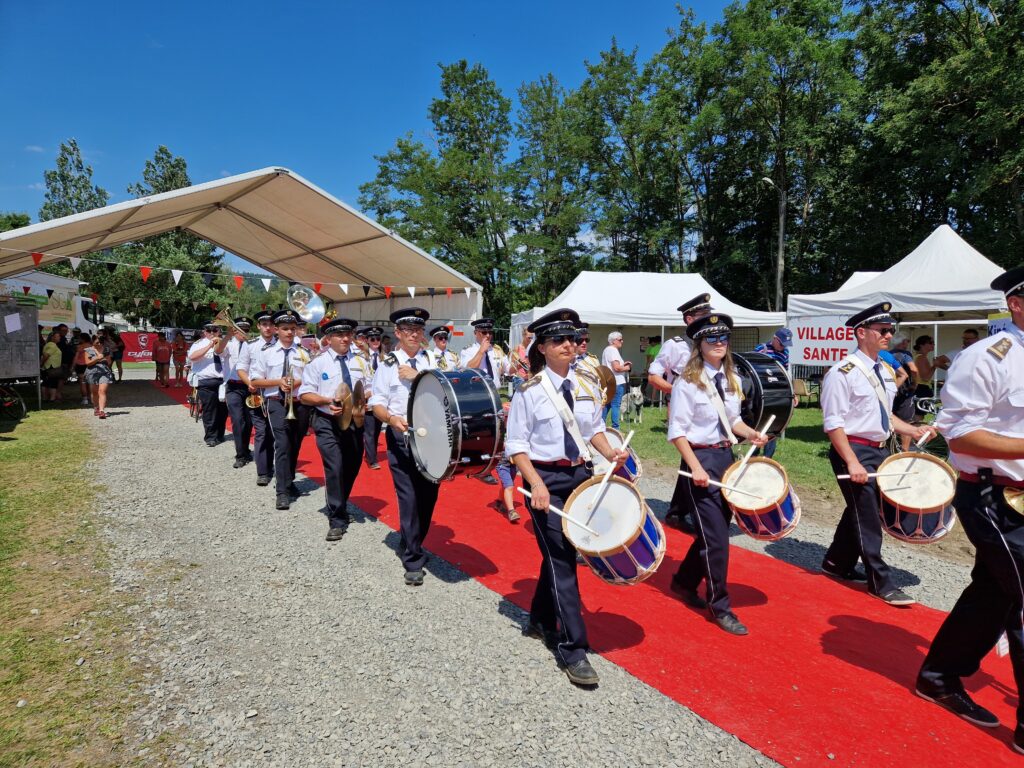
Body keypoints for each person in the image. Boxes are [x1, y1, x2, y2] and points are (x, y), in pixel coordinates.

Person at [915, 265, 1024, 743]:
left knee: (996, 591)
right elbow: (959, 432)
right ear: (1017, 303)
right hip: (992, 494)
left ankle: (939, 675)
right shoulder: (987, 357)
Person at [506, 308, 628, 686]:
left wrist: (611, 453)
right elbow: (516, 446)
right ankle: (573, 649)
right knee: (563, 561)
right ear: (542, 347)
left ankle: (540, 620)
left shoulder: (586, 385)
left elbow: (592, 430)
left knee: (559, 555)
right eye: (559, 340)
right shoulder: (528, 391)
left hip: (580, 475)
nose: (569, 346)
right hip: (544, 480)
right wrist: (536, 484)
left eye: (572, 339)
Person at [819, 302, 932, 605]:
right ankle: (879, 582)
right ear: (861, 333)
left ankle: (835, 563)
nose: (889, 334)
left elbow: (885, 416)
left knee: (862, 508)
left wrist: (911, 430)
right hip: (852, 449)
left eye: (890, 330)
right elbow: (833, 424)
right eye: (882, 330)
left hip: (877, 450)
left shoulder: (882, 370)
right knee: (869, 516)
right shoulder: (842, 373)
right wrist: (851, 460)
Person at [667, 313, 769, 635]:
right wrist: (694, 466)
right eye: (712, 338)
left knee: (713, 533)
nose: (720, 343)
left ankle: (683, 581)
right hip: (701, 461)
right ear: (699, 343)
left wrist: (751, 433)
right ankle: (720, 605)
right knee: (718, 540)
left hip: (725, 456)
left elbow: (733, 421)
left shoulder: (730, 378)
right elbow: (677, 432)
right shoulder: (687, 382)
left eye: (724, 337)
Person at [368, 307, 440, 586]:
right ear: (398, 333)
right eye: (408, 330)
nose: (414, 334)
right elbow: (377, 406)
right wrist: (391, 419)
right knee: (409, 497)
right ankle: (412, 558)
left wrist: (417, 376)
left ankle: (413, 541)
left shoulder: (432, 359)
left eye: (419, 330)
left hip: (433, 438)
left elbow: (445, 390)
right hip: (402, 435)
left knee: (429, 496)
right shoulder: (387, 365)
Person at [298, 316, 371, 541]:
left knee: (352, 465)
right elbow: (304, 395)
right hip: (327, 422)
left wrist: (360, 398)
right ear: (328, 338)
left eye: (348, 334)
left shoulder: (361, 361)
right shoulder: (317, 363)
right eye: (340, 335)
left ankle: (340, 500)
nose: (346, 338)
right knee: (335, 467)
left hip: (356, 421)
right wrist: (326, 400)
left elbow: (371, 387)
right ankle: (337, 518)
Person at [648, 294, 715, 532]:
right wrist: (675, 389)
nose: (708, 320)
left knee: (697, 459)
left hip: (710, 410)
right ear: (689, 319)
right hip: (687, 412)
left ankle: (679, 510)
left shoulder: (711, 343)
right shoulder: (675, 345)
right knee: (696, 457)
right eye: (703, 316)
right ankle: (697, 514)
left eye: (709, 315)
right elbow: (653, 375)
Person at [249, 309, 310, 510]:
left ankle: (289, 480)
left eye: (293, 329)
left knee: (294, 444)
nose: (290, 333)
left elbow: (311, 377)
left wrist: (296, 382)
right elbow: (255, 380)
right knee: (282, 445)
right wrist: (279, 382)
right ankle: (282, 492)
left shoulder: (303, 353)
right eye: (285, 329)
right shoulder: (265, 353)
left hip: (298, 403)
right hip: (275, 402)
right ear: (276, 330)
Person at [237, 310, 277, 487]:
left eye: (271, 325)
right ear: (259, 326)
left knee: (274, 433)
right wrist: (248, 383)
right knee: (261, 432)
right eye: (264, 324)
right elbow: (241, 367)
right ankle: (263, 471)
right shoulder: (250, 345)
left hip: (276, 394)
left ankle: (275, 466)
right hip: (257, 394)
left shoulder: (281, 345)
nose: (268, 328)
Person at [751, 328, 794, 459]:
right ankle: (753, 454)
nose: (783, 347)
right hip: (762, 394)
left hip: (777, 394)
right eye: (781, 344)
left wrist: (793, 394)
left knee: (774, 423)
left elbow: (785, 374)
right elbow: (751, 370)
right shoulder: (761, 349)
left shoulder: (785, 353)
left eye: (785, 345)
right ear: (775, 339)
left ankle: (768, 458)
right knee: (759, 423)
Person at [188, 322, 230, 447]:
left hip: (223, 381)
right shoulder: (198, 344)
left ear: (219, 331)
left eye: (215, 330)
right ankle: (210, 437)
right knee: (209, 410)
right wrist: (210, 345)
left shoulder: (225, 343)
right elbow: (192, 357)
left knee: (223, 411)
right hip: (206, 381)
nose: (212, 333)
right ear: (204, 331)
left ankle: (220, 434)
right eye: (209, 330)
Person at [222, 317, 255, 469]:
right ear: (235, 331)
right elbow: (217, 351)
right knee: (237, 420)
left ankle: (246, 449)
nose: (244, 333)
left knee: (248, 422)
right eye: (241, 330)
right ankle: (240, 455)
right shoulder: (229, 344)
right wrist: (227, 336)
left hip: (249, 387)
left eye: (246, 330)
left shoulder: (253, 345)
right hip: (233, 386)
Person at [887, 335, 919, 451]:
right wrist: (915, 383)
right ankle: (905, 450)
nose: (908, 343)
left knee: (890, 416)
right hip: (905, 391)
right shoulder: (905, 354)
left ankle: (891, 446)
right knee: (906, 420)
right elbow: (913, 369)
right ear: (903, 342)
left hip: (890, 389)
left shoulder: (888, 354)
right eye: (908, 340)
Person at [362, 326, 385, 470]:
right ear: (367, 341)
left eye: (378, 339)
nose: (376, 341)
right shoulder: (361, 357)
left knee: (376, 430)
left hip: (380, 399)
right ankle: (372, 459)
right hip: (366, 398)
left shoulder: (385, 357)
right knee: (369, 431)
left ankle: (370, 453)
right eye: (373, 339)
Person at [459, 318, 509, 383]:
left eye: (490, 332)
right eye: (484, 332)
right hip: (478, 391)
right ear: (475, 333)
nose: (488, 335)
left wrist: (517, 365)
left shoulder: (497, 349)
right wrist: (481, 351)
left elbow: (508, 369)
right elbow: (468, 371)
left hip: (494, 390)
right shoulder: (467, 350)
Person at [600, 331, 631, 429]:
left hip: (608, 381)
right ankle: (616, 428)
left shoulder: (606, 350)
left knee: (607, 404)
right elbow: (616, 368)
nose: (622, 341)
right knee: (616, 405)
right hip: (617, 382)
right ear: (613, 341)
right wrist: (627, 368)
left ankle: (600, 424)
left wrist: (623, 365)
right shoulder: (613, 350)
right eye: (620, 339)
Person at [83, 335, 114, 418]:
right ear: (92, 342)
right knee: (95, 392)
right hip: (92, 372)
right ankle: (96, 408)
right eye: (97, 342)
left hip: (104, 372)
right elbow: (87, 363)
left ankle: (102, 411)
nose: (99, 344)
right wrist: (97, 358)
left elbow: (109, 362)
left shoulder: (106, 349)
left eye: (101, 342)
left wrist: (106, 360)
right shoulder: (88, 350)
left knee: (102, 391)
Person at [40, 331, 64, 402]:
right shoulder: (52, 345)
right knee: (52, 383)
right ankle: (52, 399)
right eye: (58, 336)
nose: (59, 337)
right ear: (52, 337)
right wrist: (41, 364)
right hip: (51, 367)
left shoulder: (50, 344)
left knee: (46, 382)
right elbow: (46, 355)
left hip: (49, 366)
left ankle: (46, 398)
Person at [73, 333, 92, 405]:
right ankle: (90, 397)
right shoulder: (91, 347)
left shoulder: (79, 347)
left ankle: (85, 399)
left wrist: (72, 366)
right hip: (89, 365)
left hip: (80, 366)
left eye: (80, 338)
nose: (78, 339)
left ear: (83, 339)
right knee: (89, 383)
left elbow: (76, 357)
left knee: (82, 383)